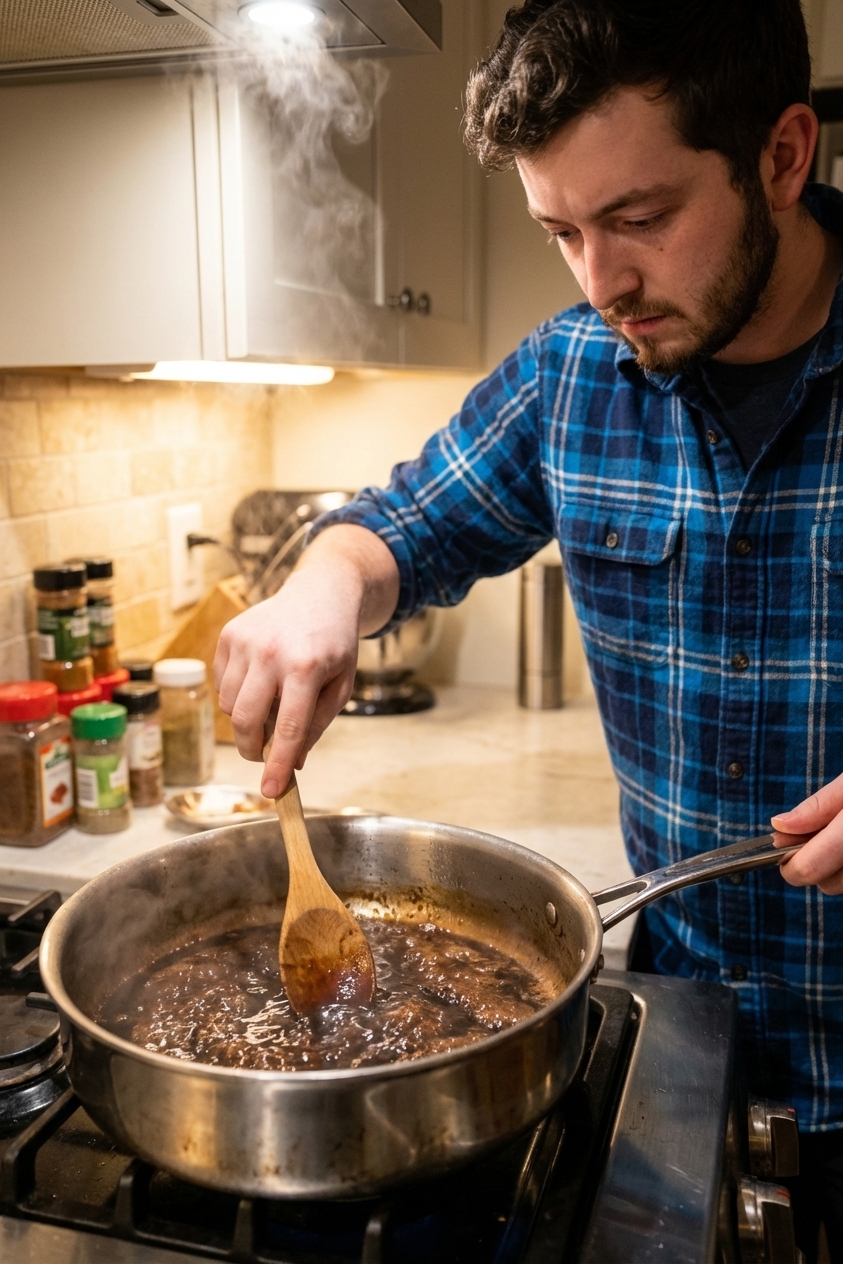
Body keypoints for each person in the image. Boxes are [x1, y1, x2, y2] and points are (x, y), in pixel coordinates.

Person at [215, 1, 843, 1254]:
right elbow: (396, 529)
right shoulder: (570, 379)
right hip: (680, 1050)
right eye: (561, 230)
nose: (602, 281)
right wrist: (327, 582)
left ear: (782, 157)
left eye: (641, 219)